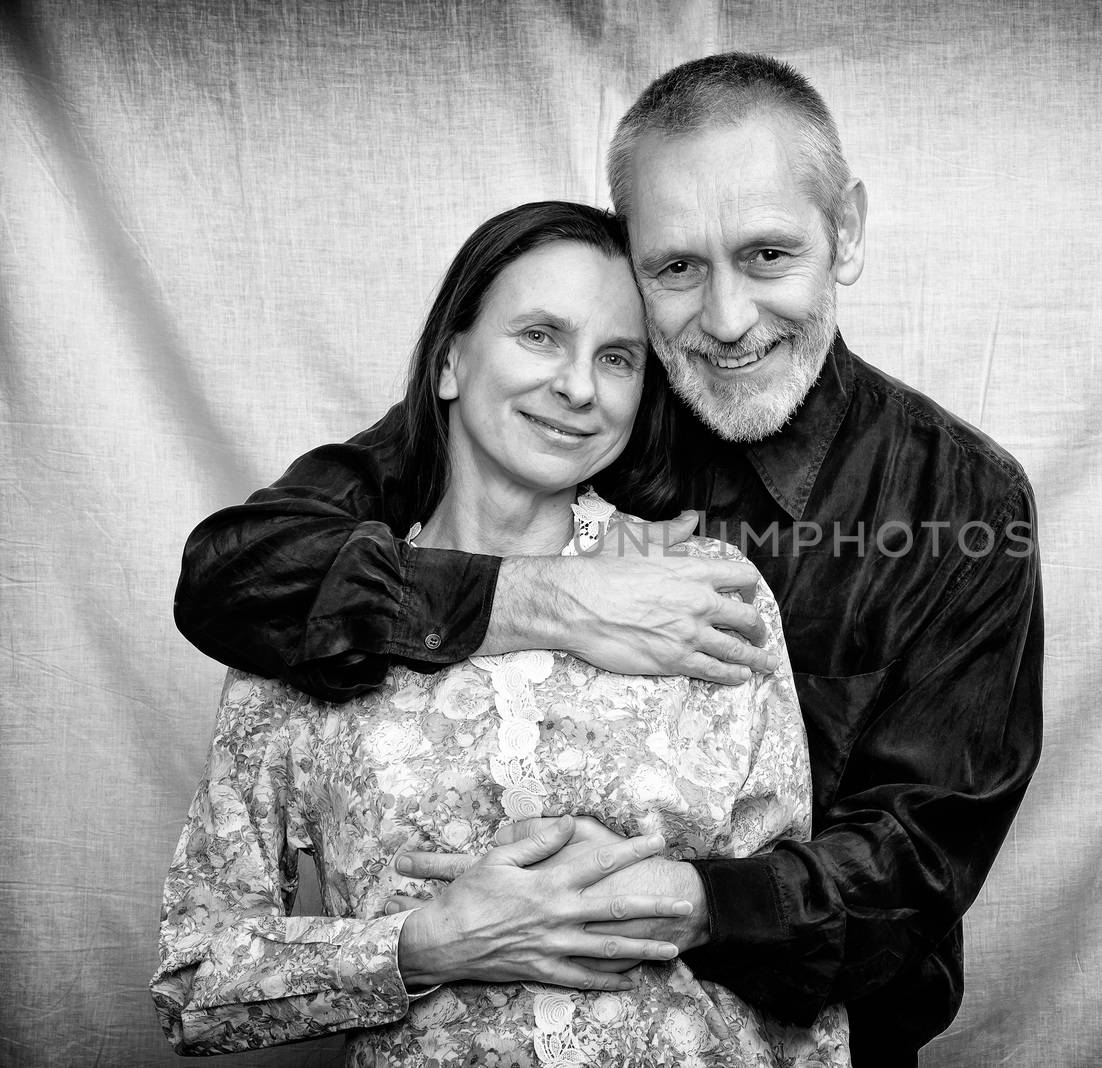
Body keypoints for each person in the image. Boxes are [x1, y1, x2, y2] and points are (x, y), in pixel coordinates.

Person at [176, 53, 1045, 1065]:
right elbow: (241, 572)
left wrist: (687, 902)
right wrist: (548, 599)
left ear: (843, 233)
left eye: (768, 255)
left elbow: (924, 855)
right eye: (676, 267)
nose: (724, 321)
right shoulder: (569, 408)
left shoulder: (960, 502)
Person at [153, 201, 851, 1066]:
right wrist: (424, 945)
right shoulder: (311, 617)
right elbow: (193, 983)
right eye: (539, 336)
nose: (579, 387)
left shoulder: (705, 589)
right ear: (450, 359)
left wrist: (679, 900)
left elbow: (802, 960)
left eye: (618, 358)